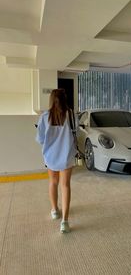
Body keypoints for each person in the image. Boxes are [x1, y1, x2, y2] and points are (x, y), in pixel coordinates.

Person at [36, 89, 77, 233]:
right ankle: (65, 221)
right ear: (64, 99)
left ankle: (54, 211)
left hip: (50, 156)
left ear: (51, 100)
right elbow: (75, 133)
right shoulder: (71, 114)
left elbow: (40, 139)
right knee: (65, 185)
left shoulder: (44, 116)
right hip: (66, 155)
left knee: (53, 182)